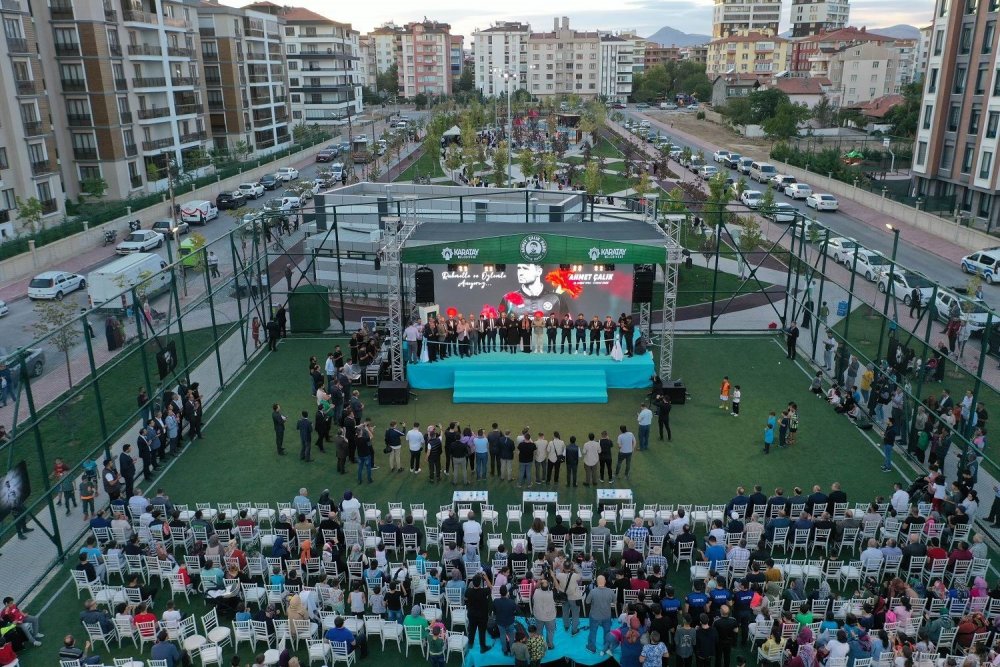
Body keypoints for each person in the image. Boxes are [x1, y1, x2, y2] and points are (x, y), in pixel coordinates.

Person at [585, 575, 616, 653]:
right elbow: (614, 601)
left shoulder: (593, 591)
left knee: (593, 632)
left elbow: (587, 602)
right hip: (606, 616)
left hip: (594, 616)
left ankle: (591, 647)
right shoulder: (610, 591)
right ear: (605, 581)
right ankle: (606, 646)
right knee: (607, 632)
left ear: (597, 582)